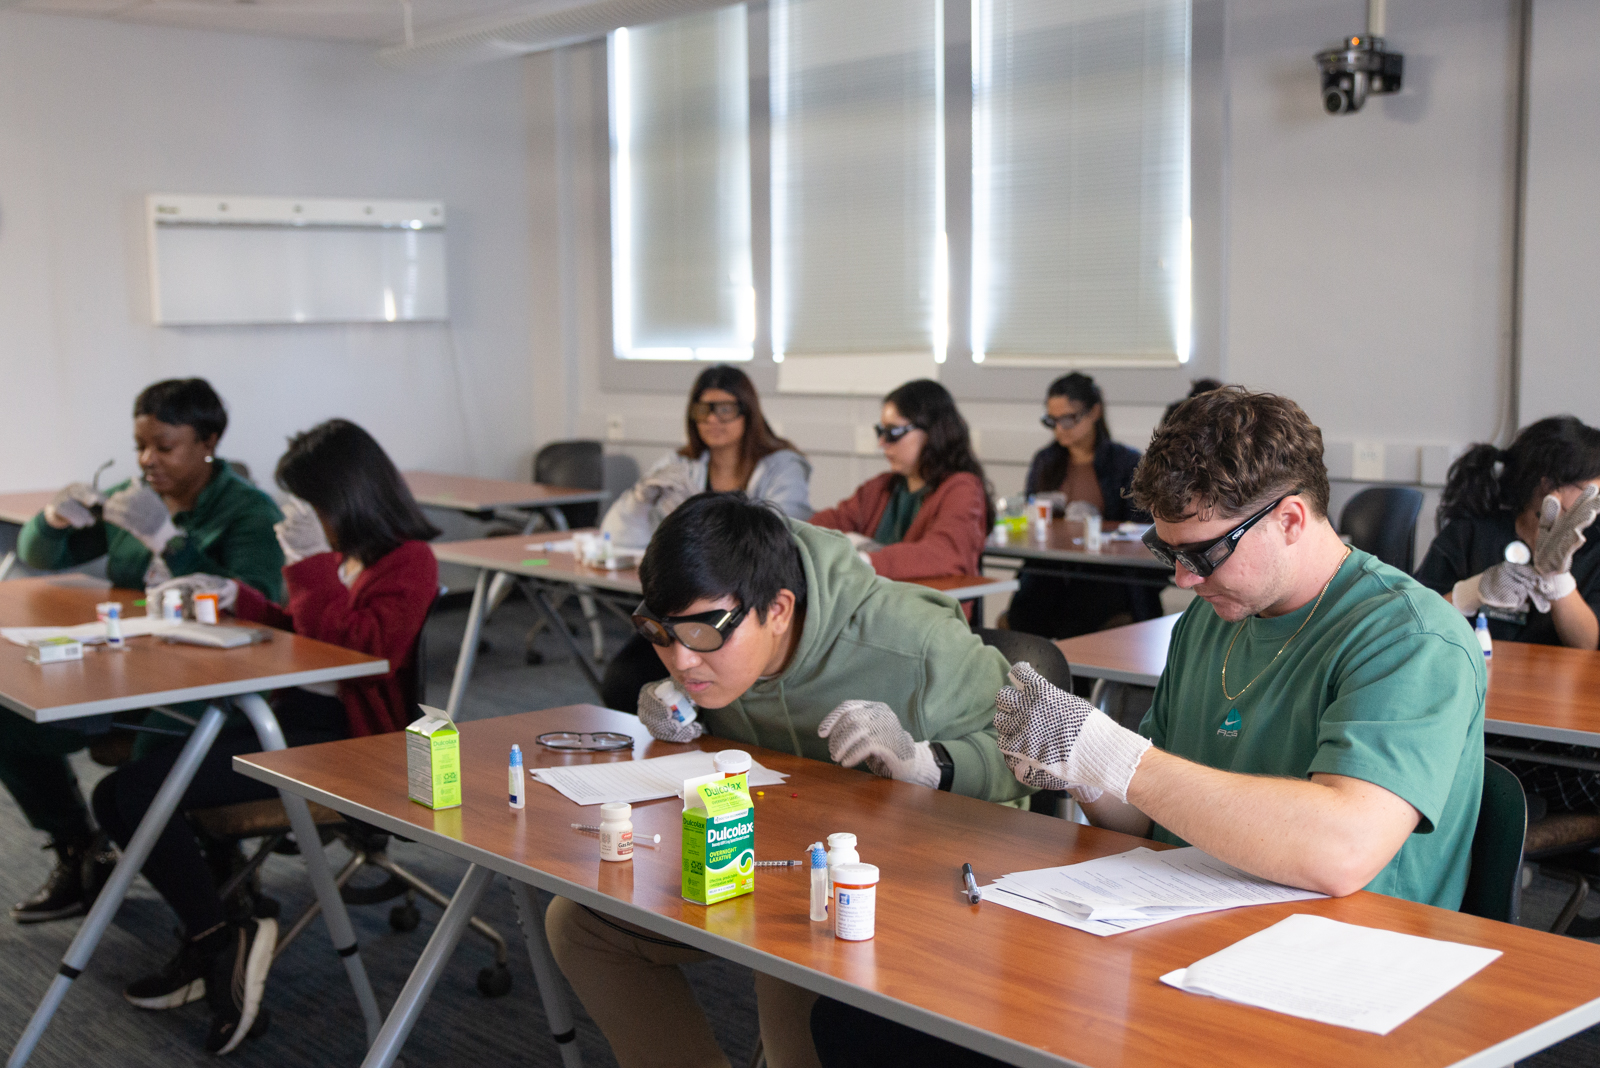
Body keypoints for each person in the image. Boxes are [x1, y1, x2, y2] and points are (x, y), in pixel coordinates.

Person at [809, 387, 1488, 1066]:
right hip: (1186, 933)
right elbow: (1139, 819)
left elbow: (1340, 852)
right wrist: (1073, 769)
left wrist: (1108, 752)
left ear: (1288, 520)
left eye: (1204, 552)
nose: (1185, 581)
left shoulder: (1411, 637)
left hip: (1327, 972)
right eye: (1169, 554)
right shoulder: (1210, 618)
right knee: (866, 1018)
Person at [546, 492, 1028, 1068]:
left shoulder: (916, 642)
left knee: (793, 950)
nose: (681, 660)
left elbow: (1041, 752)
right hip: (780, 860)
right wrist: (678, 720)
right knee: (579, 925)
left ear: (777, 610)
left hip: (929, 876)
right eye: (661, 631)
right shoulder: (705, 635)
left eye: (701, 634)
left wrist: (930, 764)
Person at [89, 418, 439, 1055]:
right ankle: (212, 937)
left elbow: (363, 654)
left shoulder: (407, 559)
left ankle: (217, 938)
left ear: (349, 495)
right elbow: (305, 629)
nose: (300, 514)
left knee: (138, 793)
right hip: (292, 719)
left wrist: (308, 565)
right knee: (113, 797)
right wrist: (236, 596)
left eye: (309, 502)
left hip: (350, 741)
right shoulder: (342, 551)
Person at [4, 378, 285, 926]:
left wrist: (170, 544)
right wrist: (55, 519)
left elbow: (259, 604)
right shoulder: (137, 501)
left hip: (212, 679)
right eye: (140, 446)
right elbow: (37, 554)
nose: (147, 460)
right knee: (11, 720)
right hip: (126, 665)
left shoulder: (249, 511)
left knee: (144, 768)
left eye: (164, 446)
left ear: (208, 441)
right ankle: (77, 852)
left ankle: (215, 867)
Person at [1414, 416, 1600, 817]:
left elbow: (1587, 644)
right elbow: (1412, 621)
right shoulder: (1472, 535)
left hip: (1557, 729)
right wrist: (1472, 593)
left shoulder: (1592, 548)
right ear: (1546, 485)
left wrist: (1558, 578)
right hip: (1474, 721)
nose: (1594, 506)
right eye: (1587, 492)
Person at [598, 365, 812, 709]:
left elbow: (782, 536)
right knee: (622, 682)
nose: (713, 420)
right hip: (680, 606)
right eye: (703, 410)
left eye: (725, 409)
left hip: (733, 608)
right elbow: (613, 535)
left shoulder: (781, 464)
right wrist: (641, 498)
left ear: (747, 412)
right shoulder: (681, 464)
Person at [1003, 372, 1159, 639]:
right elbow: (1028, 519)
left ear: (1094, 412)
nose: (1060, 429)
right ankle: (1029, 679)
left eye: (1069, 419)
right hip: (1050, 568)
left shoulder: (1125, 462)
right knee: (1022, 614)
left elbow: (1141, 531)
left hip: (1106, 574)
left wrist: (1097, 525)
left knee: (1075, 621)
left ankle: (1074, 681)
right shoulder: (1046, 461)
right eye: (1052, 421)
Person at [810, 379, 993, 580]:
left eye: (893, 433)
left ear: (931, 432)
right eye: (881, 432)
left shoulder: (961, 489)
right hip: (879, 603)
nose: (882, 443)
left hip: (929, 607)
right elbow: (831, 522)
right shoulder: (882, 486)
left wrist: (865, 561)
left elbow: (943, 554)